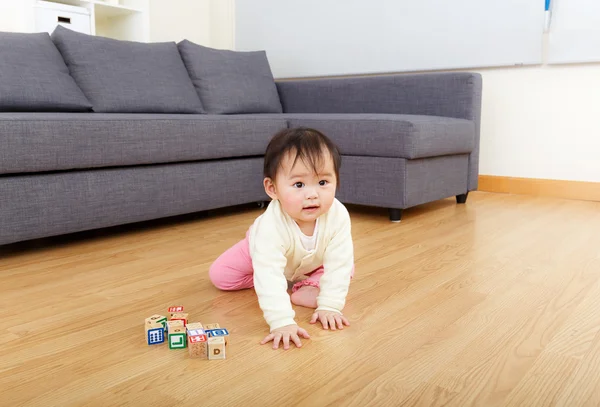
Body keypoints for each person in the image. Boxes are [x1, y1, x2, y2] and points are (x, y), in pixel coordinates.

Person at [209, 127, 354, 350]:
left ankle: (308, 284)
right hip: (260, 252)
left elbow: (339, 262)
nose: (312, 194)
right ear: (272, 188)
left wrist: (330, 306)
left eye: (323, 182)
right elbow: (267, 270)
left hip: (310, 261)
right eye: (299, 185)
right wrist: (282, 322)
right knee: (221, 275)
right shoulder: (270, 226)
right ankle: (275, 283)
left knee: (347, 266)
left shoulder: (338, 215)